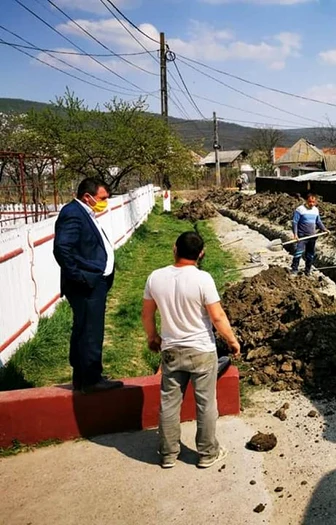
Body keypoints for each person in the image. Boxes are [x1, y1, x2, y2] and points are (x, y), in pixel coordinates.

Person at [142, 231, 241, 469]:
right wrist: (231, 340)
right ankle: (207, 453)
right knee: (206, 403)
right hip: (201, 351)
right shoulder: (203, 279)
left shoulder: (155, 278)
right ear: (201, 254)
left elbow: (147, 314)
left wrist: (153, 337)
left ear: (174, 249)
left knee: (169, 402)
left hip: (172, 350)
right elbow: (217, 316)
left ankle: (167, 454)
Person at [53, 177, 123, 394]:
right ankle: (91, 379)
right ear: (87, 197)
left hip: (93, 282)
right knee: (91, 331)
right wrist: (81, 277)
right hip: (87, 284)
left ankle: (82, 376)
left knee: (84, 328)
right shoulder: (73, 213)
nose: (105, 202)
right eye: (102, 198)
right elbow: (62, 249)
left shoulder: (84, 213)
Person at [291, 192, 328, 276]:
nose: (311, 204)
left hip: (312, 236)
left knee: (310, 254)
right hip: (302, 236)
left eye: (313, 202)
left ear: (315, 202)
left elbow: (318, 222)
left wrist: (324, 229)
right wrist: (295, 234)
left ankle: (307, 271)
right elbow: (295, 222)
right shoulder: (300, 209)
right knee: (298, 252)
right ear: (306, 201)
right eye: (309, 202)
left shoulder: (316, 210)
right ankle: (294, 269)